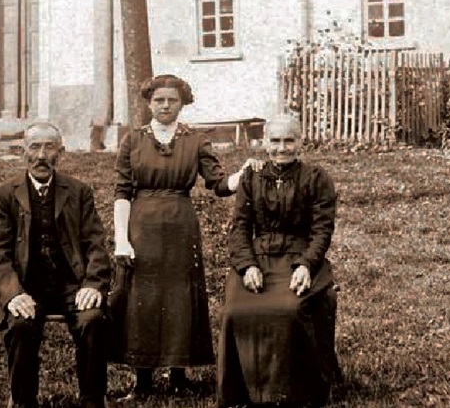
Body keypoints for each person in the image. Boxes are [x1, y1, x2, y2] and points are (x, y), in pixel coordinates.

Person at [111, 74, 258, 398]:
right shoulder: (132, 140)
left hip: (181, 226)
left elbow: (218, 183)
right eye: (159, 100)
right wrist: (122, 238)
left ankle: (179, 376)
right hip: (142, 226)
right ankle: (142, 381)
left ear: (182, 103)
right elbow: (122, 192)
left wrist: (241, 176)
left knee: (180, 297)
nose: (165, 106)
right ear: (149, 103)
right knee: (143, 299)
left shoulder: (196, 140)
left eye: (172, 100)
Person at [217, 113, 342, 408]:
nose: (282, 147)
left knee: (289, 309)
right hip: (259, 258)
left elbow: (322, 231)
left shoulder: (316, 178)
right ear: (264, 142)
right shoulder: (252, 177)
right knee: (234, 311)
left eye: (289, 140)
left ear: (300, 142)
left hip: (299, 258)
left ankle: (292, 392)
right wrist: (247, 265)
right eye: (275, 140)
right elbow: (240, 228)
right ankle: (242, 392)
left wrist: (306, 265)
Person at [0, 122, 111, 408]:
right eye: (34, 147)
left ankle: (92, 401)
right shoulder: (4, 195)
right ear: (23, 152)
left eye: (49, 147)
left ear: (60, 153)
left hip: (71, 285)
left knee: (92, 319)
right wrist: (13, 294)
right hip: (26, 286)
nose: (41, 155)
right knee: (20, 324)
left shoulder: (78, 192)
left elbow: (96, 245)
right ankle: (23, 402)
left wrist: (93, 284)